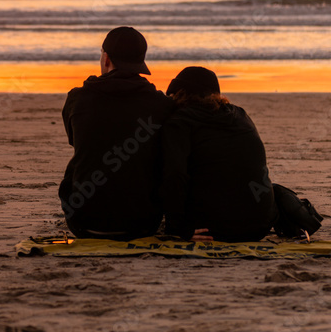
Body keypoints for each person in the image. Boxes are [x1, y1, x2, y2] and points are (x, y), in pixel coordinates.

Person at [58, 27, 174, 239]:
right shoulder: (161, 104)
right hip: (143, 225)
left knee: (81, 158)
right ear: (141, 62)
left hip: (83, 222)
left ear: (106, 58)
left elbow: (76, 142)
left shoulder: (77, 99)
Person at [162, 66, 277, 242]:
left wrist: (177, 229)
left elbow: (174, 176)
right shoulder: (240, 115)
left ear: (180, 94)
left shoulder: (180, 123)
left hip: (212, 229)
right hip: (260, 225)